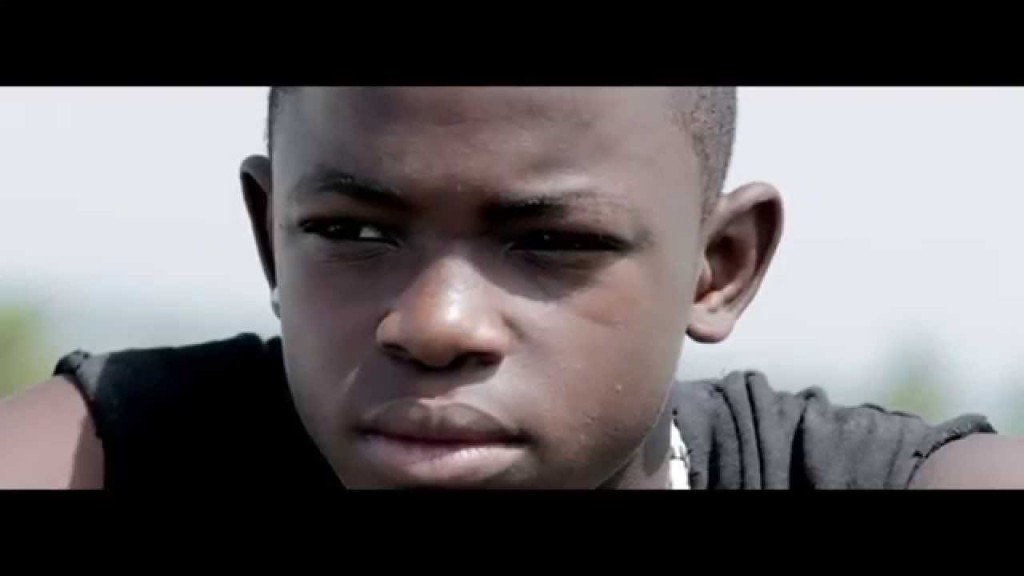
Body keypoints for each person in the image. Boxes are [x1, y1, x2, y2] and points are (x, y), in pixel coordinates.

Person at [0, 87, 1019, 489]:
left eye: (553, 242)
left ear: (718, 268)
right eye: (352, 231)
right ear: (272, 237)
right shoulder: (121, 456)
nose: (434, 324)